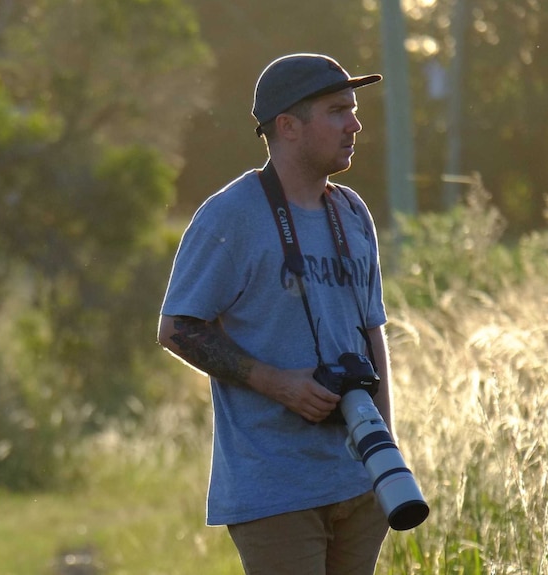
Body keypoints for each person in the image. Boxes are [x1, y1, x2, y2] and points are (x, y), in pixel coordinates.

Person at [158, 53, 393, 575]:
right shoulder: (231, 214)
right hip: (276, 489)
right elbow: (177, 328)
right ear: (287, 126)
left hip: (359, 484)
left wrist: (387, 458)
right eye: (337, 111)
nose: (355, 124)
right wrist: (278, 384)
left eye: (354, 110)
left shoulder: (352, 212)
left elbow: (372, 332)